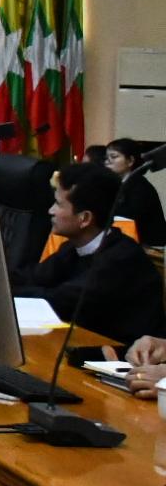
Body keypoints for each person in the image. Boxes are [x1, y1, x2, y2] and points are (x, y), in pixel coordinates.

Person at [11, 162, 166, 345]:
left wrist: (6, 292)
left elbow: (59, 300)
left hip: (125, 356)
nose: (50, 211)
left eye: (58, 204)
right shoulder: (73, 248)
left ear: (84, 218)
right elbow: (34, 277)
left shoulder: (122, 259)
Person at [104, 138, 166, 245]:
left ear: (130, 161)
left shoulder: (140, 186)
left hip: (148, 247)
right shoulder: (119, 184)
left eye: (114, 157)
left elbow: (126, 217)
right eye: (106, 158)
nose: (107, 161)